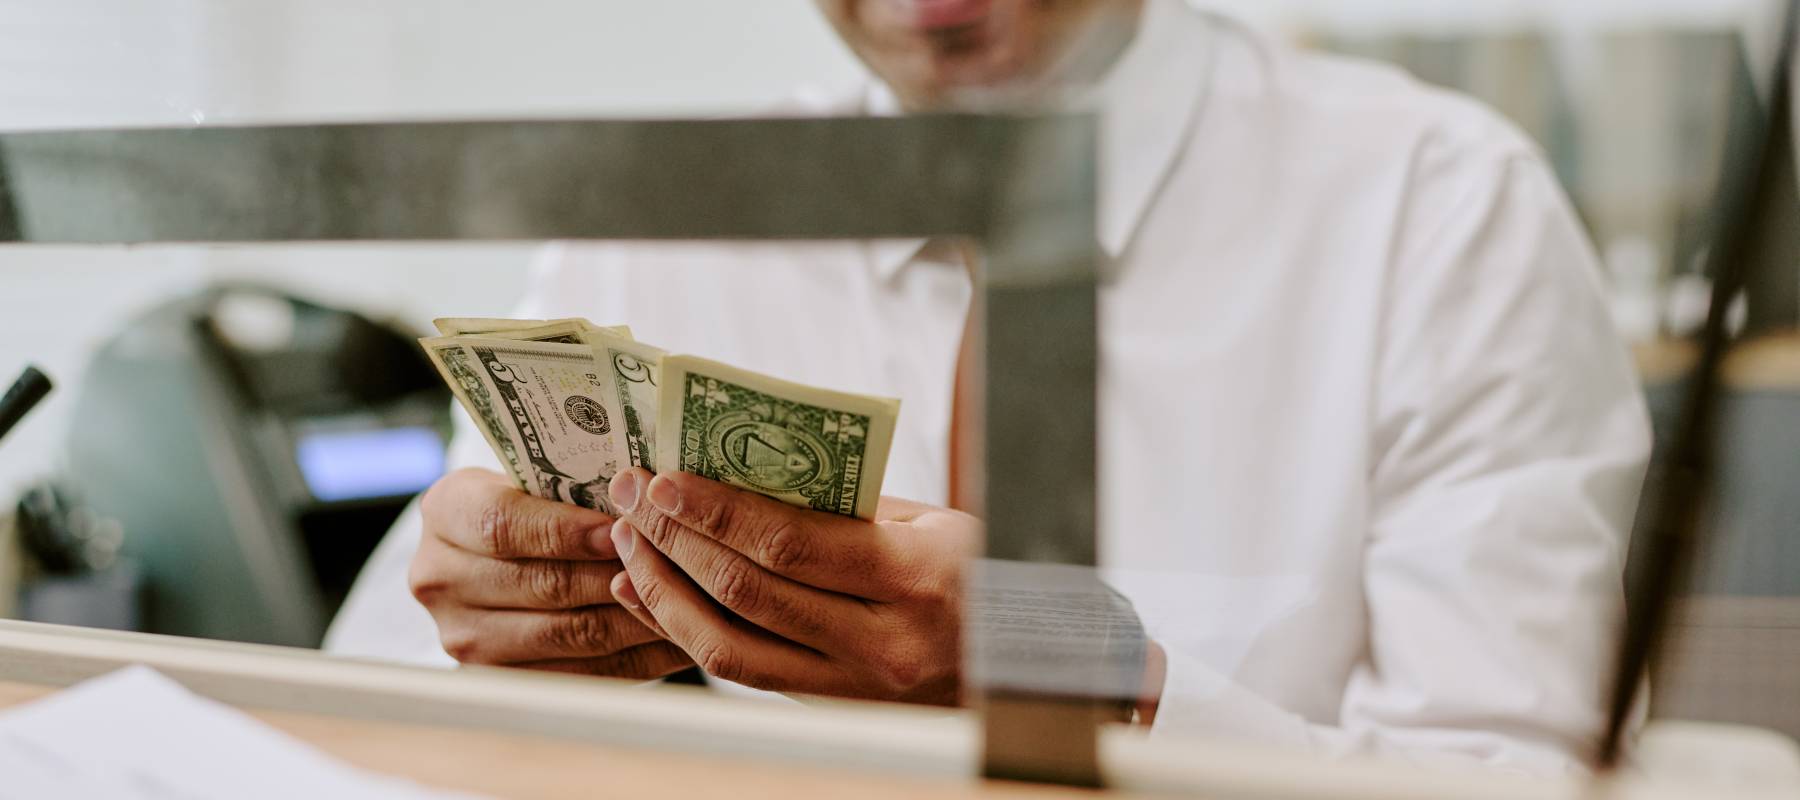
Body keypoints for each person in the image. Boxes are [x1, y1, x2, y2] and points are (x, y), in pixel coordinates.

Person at [328, 0, 1651, 773]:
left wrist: (1080, 671)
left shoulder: (1437, 208)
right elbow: (370, 710)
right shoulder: (652, 223)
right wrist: (504, 632)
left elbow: (1514, 782)